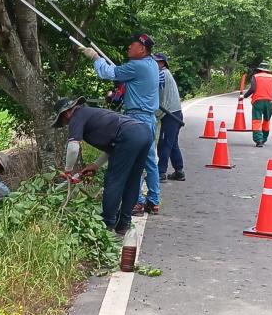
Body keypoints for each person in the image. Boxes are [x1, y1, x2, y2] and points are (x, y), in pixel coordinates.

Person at [80, 34, 160, 215]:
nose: (128, 48)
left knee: (136, 162)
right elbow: (121, 73)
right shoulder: (152, 64)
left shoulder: (137, 66)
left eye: (131, 45)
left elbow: (106, 73)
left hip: (137, 118)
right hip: (149, 117)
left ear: (142, 48)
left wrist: (95, 58)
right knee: (149, 162)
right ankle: (153, 201)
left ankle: (138, 201)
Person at [52, 96, 152, 235]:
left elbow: (73, 147)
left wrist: (67, 171)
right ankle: (124, 224)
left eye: (63, 120)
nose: (66, 123)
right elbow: (114, 149)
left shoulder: (77, 116)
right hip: (144, 132)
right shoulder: (91, 114)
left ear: (66, 113)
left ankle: (107, 225)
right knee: (132, 181)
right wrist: (96, 165)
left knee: (113, 181)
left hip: (129, 136)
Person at [152, 53, 185, 182]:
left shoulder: (163, 74)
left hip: (171, 114)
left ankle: (161, 173)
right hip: (175, 113)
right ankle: (179, 171)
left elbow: (152, 84)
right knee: (172, 143)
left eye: (156, 62)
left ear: (162, 63)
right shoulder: (166, 74)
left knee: (164, 144)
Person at [243, 62, 272, 147]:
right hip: (269, 102)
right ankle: (264, 138)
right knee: (266, 121)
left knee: (257, 121)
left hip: (258, 102)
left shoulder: (255, 76)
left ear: (259, 70)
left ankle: (259, 140)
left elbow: (252, 89)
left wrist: (244, 96)